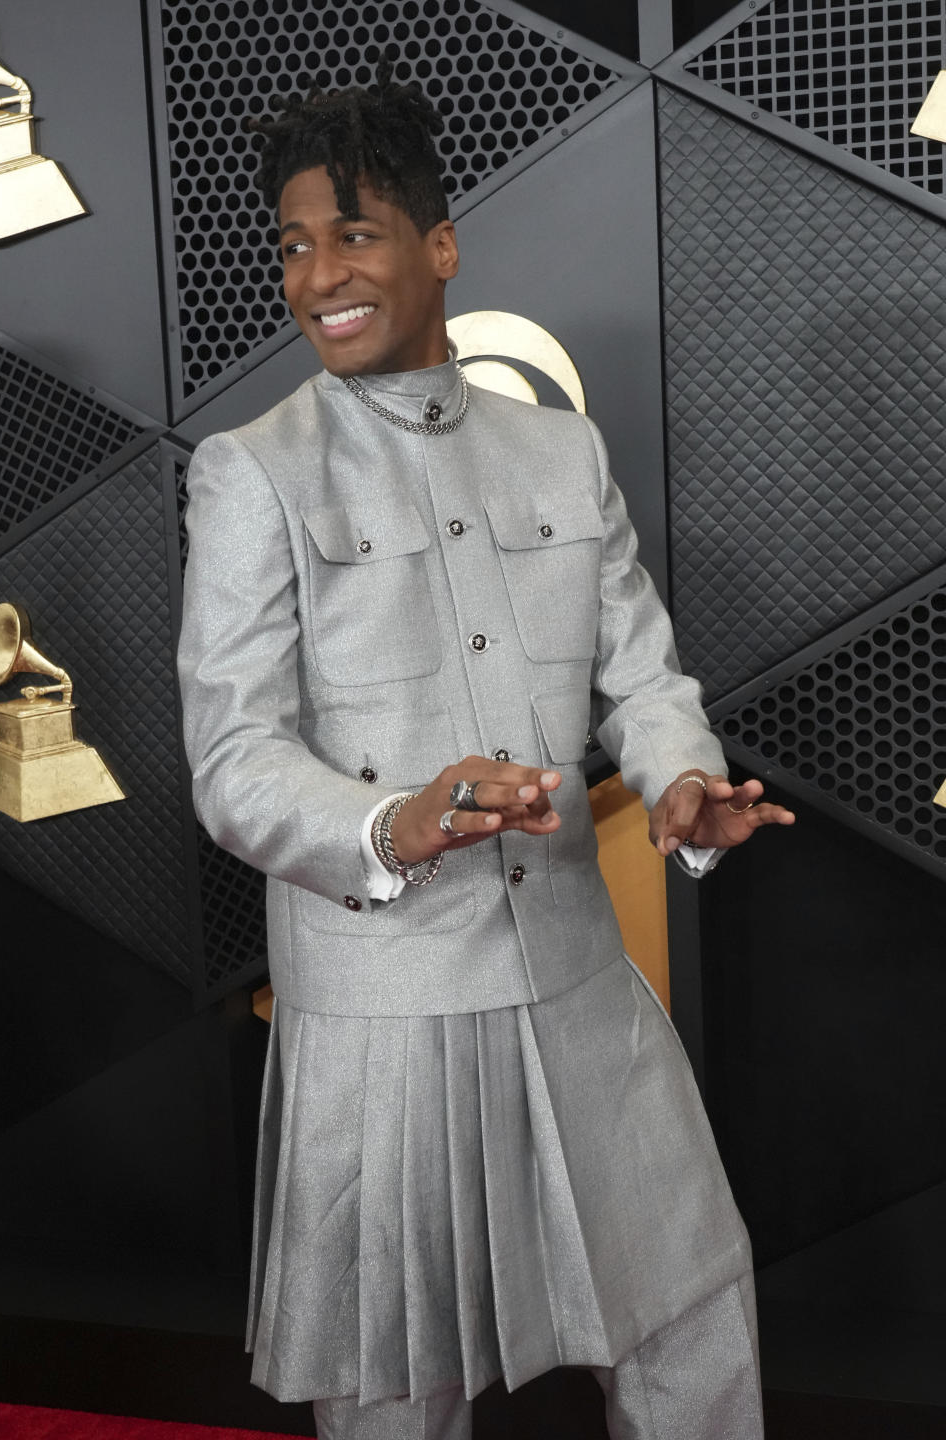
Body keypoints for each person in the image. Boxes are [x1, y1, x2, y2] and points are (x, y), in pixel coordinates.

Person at [177, 64, 794, 1440]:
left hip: (578, 979)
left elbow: (642, 675)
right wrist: (404, 819)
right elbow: (232, 762)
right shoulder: (252, 475)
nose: (318, 273)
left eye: (354, 233)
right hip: (380, 1019)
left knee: (693, 1318)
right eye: (293, 243)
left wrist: (686, 787)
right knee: (399, 1386)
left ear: (439, 247)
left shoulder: (562, 454)